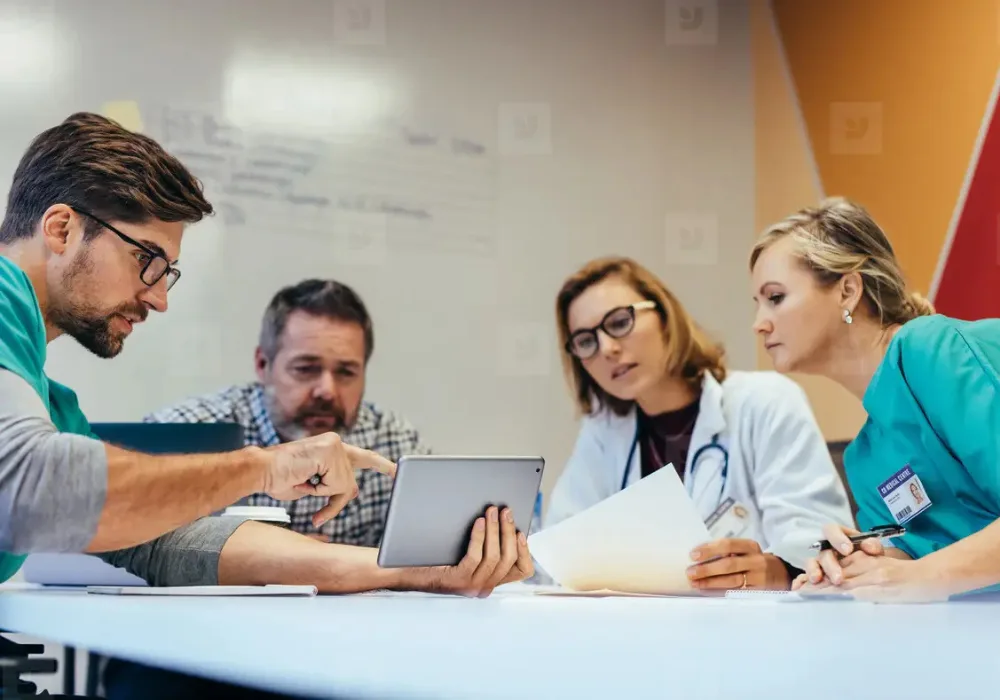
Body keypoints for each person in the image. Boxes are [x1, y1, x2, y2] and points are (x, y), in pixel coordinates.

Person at [544, 256, 853, 591]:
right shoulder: (604, 432)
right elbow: (554, 558)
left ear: (664, 317)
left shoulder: (764, 402)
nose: (606, 348)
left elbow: (818, 542)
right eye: (586, 341)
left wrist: (770, 569)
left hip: (756, 630)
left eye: (619, 322)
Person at [749, 195, 1000, 602]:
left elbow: (928, 576)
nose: (759, 324)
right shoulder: (865, 458)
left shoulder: (930, 350)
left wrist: (924, 576)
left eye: (775, 297)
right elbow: (917, 566)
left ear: (847, 290)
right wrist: (851, 566)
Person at [143, 277, 430, 545]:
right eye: (306, 369)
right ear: (262, 365)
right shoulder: (183, 434)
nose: (327, 390)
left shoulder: (396, 447)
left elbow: (435, 558)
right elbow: (133, 551)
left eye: (346, 372)